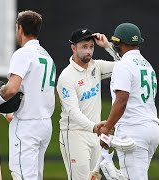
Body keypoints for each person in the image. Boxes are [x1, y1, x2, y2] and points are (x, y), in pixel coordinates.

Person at [0, 10, 56, 180]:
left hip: (27, 126)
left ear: (20, 29)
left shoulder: (23, 54)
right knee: (35, 175)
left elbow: (11, 89)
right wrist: (8, 112)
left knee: (22, 175)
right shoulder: (47, 56)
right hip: (44, 124)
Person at [98, 22, 159, 180]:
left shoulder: (123, 66)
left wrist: (108, 127)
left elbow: (122, 101)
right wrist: (107, 46)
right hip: (151, 130)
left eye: (116, 44)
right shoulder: (147, 65)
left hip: (133, 131)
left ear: (120, 44)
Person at [56, 27, 120, 180]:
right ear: (73, 48)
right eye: (84, 47)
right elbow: (73, 112)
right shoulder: (66, 77)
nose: (89, 51)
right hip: (74, 134)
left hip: (95, 134)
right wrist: (93, 127)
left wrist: (107, 46)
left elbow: (126, 66)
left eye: (91, 47)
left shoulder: (96, 66)